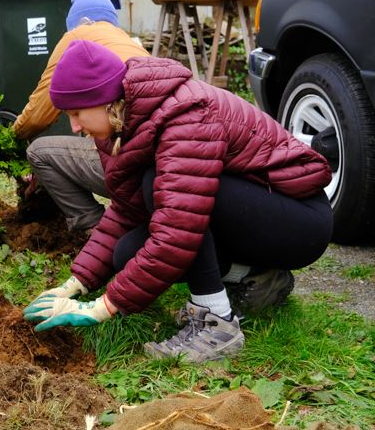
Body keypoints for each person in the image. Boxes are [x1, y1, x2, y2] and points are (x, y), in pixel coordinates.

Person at [23, 40, 333, 363]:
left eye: (76, 113)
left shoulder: (184, 112)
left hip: (300, 219)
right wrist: (77, 283)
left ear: (103, 100)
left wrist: (104, 307)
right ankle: (257, 276)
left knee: (159, 188)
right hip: (254, 212)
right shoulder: (120, 128)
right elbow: (126, 212)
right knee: (126, 251)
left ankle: (217, 325)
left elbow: (179, 228)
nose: (74, 126)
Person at [12, 0, 149, 233]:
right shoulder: (130, 43)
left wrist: (14, 135)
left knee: (40, 152)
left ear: (75, 22)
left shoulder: (75, 40)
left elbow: (40, 111)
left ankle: (94, 228)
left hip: (125, 168)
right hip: (155, 169)